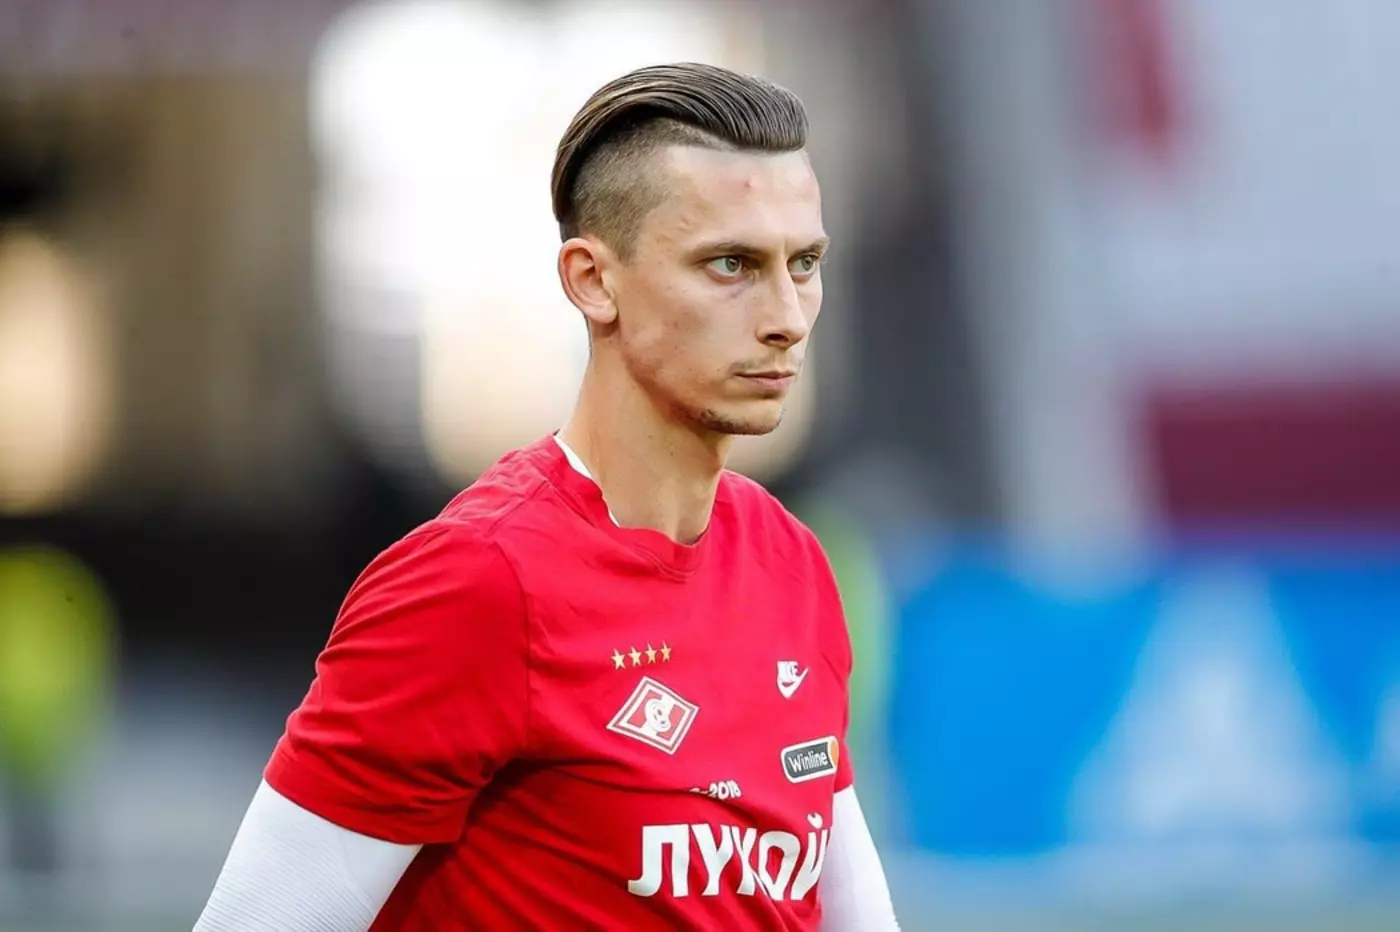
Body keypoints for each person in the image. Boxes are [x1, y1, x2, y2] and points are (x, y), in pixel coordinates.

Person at [194, 61, 899, 931]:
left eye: (805, 263)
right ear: (592, 280)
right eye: (731, 264)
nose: (787, 316)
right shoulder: (477, 583)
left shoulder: (791, 563)